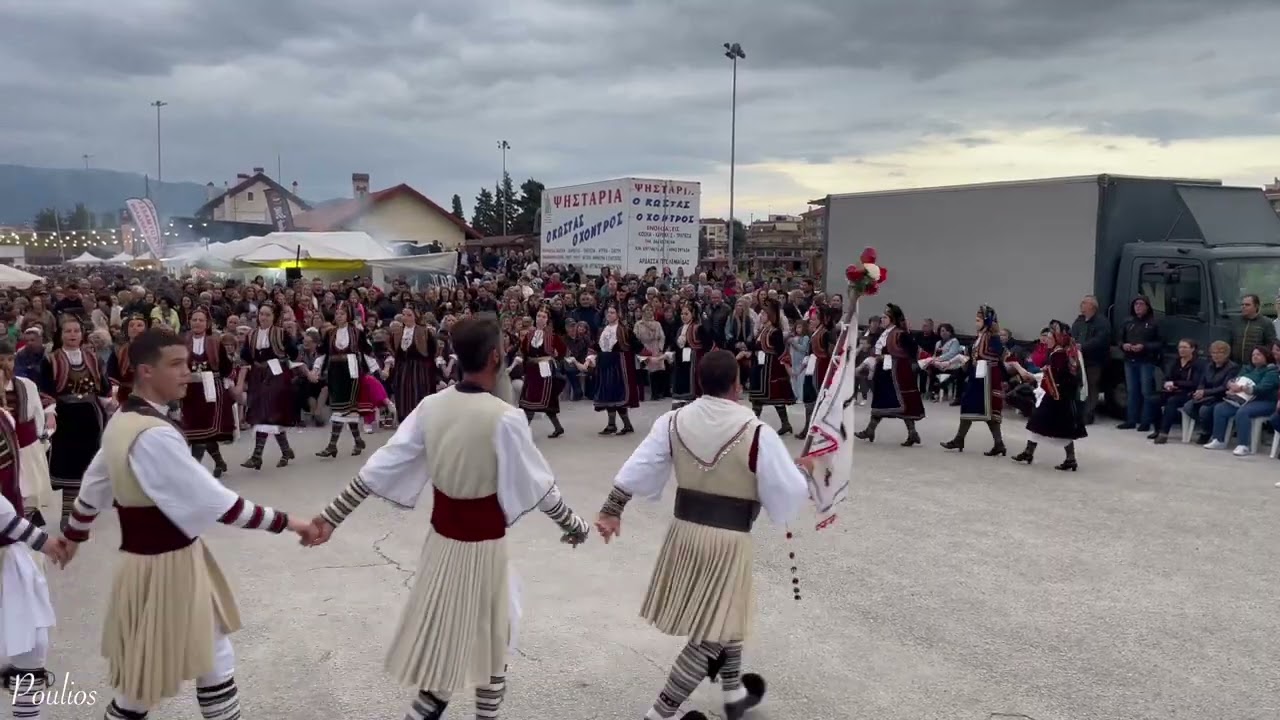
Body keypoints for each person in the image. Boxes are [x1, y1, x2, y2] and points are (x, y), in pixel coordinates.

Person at [304, 317, 591, 720]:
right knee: (493, 646)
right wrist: (573, 525)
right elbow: (539, 485)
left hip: (440, 548)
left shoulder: (431, 406)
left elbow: (381, 466)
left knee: (448, 646)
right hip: (485, 550)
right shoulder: (504, 417)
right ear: (495, 357)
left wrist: (331, 517)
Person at [59, 328, 316, 719]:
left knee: (206, 655)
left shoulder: (123, 420)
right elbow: (220, 504)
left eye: (188, 363)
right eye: (176, 364)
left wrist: (74, 535)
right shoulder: (154, 435)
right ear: (146, 371)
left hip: (155, 563)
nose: (187, 373)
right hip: (166, 566)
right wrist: (291, 523)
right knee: (143, 679)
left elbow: (93, 485)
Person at [594, 349, 811, 720]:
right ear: (737, 385)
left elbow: (640, 464)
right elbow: (788, 489)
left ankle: (734, 696)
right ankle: (659, 714)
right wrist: (805, 471)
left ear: (699, 382)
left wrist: (612, 509)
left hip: (685, 535)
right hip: (728, 540)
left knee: (727, 615)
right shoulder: (757, 430)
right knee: (713, 634)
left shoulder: (673, 420)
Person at [0, 402, 71, 720]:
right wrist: (41, 541)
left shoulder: (3, 415)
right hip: (6, 547)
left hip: (8, 549)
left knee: (29, 647)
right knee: (27, 646)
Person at [41, 315, 110, 516]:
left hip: (90, 416)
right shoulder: (51, 359)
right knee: (68, 464)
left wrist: (110, 404)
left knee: (89, 463)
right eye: (68, 331)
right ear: (61, 335)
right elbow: (46, 389)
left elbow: (103, 387)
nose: (72, 334)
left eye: (76, 331)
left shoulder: (93, 358)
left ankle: (82, 511)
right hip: (65, 416)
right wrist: (50, 414)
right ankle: (67, 511)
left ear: (82, 334)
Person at [0, 338, 58, 536]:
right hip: (3, 454)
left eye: (9, 359)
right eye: (0, 360)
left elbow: (38, 412)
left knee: (29, 492)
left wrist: (43, 435)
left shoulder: (26, 385)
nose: (5, 365)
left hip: (26, 449)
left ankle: (27, 528)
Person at [1013, 320, 1088, 471]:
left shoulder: (1059, 354)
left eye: (1049, 337)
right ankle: (1031, 453)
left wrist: (1038, 376)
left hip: (1057, 397)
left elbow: (1057, 376)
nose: (1046, 339)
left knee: (1054, 426)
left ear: (1057, 338)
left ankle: (1068, 458)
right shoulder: (1059, 352)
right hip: (1057, 395)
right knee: (1038, 423)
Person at [312, 302, 379, 458]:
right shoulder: (330, 333)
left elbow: (367, 351)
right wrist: (316, 370)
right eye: (337, 313)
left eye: (342, 313)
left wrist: (376, 370)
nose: (339, 316)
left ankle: (332, 445)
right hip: (335, 372)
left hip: (351, 371)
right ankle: (358, 441)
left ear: (348, 315)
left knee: (344, 408)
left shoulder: (357, 332)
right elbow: (322, 353)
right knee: (344, 408)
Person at [237, 305, 299, 469]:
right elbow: (246, 357)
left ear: (274, 317)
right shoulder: (252, 335)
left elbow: (293, 353)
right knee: (266, 414)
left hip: (276, 375)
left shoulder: (281, 333)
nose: (263, 317)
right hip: (258, 375)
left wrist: (289, 344)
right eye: (261, 314)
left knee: (267, 413)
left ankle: (256, 456)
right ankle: (286, 450)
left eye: (267, 315)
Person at [941, 305, 1007, 456]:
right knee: (970, 406)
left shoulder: (992, 337)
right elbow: (973, 357)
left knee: (986, 411)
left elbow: (1003, 355)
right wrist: (952, 363)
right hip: (977, 377)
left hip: (988, 378)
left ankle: (996, 443)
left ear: (987, 322)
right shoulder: (980, 337)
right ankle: (963, 439)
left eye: (978, 320)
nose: (975, 323)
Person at [856, 303, 924, 446]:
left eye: (885, 317)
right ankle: (870, 430)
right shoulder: (884, 333)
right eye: (882, 317)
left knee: (903, 403)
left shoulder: (900, 334)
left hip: (897, 374)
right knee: (881, 401)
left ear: (892, 319)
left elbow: (913, 351)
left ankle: (912, 432)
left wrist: (891, 358)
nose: (882, 319)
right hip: (884, 372)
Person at [181, 308, 235, 477]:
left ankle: (193, 470)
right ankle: (219, 462)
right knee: (196, 430)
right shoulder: (182, 342)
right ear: (189, 322)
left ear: (207, 323)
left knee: (206, 429)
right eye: (194, 319)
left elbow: (226, 367)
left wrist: (226, 383)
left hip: (211, 389)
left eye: (201, 320)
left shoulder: (215, 342)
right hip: (190, 391)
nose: (197, 323)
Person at [1204, 345, 1278, 456]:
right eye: (1253, 355)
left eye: (1258, 354)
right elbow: (1236, 380)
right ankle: (1218, 440)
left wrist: (1243, 388)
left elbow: (1263, 388)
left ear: (1266, 356)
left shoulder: (1271, 371)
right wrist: (1231, 386)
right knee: (1220, 408)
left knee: (1243, 412)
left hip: (1265, 402)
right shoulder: (1248, 368)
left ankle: (1243, 445)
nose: (1255, 357)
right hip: (1244, 399)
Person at [747, 298, 795, 435]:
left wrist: (787, 366)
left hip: (771, 368)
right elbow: (755, 346)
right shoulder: (762, 330)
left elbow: (780, 350)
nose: (761, 315)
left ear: (771, 315)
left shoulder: (775, 331)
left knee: (774, 396)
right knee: (756, 397)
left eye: (764, 313)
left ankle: (785, 423)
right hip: (759, 366)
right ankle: (754, 424)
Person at [517, 308, 567, 438]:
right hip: (532, 369)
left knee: (544, 398)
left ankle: (524, 431)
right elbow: (524, 352)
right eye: (539, 316)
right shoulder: (529, 335)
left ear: (547, 320)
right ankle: (557, 427)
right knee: (530, 398)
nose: (540, 318)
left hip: (545, 370)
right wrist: (524, 369)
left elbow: (563, 350)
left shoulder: (552, 336)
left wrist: (555, 357)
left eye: (544, 317)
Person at [592, 306, 640, 435]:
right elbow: (596, 347)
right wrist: (590, 358)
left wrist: (648, 357)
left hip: (619, 367)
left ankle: (625, 425)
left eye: (612, 312)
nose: (609, 314)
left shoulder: (625, 330)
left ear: (618, 315)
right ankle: (613, 425)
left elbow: (637, 346)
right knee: (608, 396)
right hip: (605, 365)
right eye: (608, 312)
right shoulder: (602, 330)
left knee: (618, 396)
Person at [388, 307, 440, 424]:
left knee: (418, 393)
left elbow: (432, 351)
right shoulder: (397, 333)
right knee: (403, 396)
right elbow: (393, 351)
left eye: (409, 315)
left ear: (416, 317)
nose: (405, 317)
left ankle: (420, 422)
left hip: (419, 369)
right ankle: (404, 421)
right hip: (402, 369)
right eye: (403, 314)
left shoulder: (425, 332)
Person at [1147, 339, 1204, 444]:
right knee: (1153, 400)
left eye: (1185, 347)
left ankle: (1164, 433)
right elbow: (1168, 377)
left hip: (1188, 393)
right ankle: (1157, 429)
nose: (1182, 350)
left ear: (1192, 349)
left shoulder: (1198, 364)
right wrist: (1167, 384)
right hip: (1173, 390)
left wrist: (1176, 383)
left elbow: (1194, 383)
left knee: (1172, 401)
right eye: (1180, 347)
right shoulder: (1175, 362)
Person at [1118, 295, 1161, 431]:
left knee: (1146, 392)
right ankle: (1131, 420)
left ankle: (1145, 422)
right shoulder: (1128, 322)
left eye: (1141, 304)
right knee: (1132, 391)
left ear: (1147, 307)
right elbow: (1119, 339)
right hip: (1129, 360)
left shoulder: (1154, 323)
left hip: (1146, 361)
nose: (1138, 307)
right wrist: (1123, 345)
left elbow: (1160, 343)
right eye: (1136, 304)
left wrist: (1145, 346)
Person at [1183, 341, 1238, 445]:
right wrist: (1199, 391)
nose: (1216, 355)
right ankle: (1208, 427)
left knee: (1204, 410)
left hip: (1221, 397)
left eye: (1220, 353)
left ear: (1226, 354)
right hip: (1206, 395)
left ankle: (1206, 432)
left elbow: (1224, 387)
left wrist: (1205, 392)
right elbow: (1202, 381)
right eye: (1214, 353)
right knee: (1188, 407)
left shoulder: (1232, 367)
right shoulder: (1208, 366)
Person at [798, 306, 840, 438]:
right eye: (811, 319)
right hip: (812, 367)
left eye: (814, 319)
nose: (811, 321)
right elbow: (811, 350)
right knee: (809, 396)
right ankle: (808, 426)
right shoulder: (815, 333)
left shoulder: (826, 333)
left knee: (821, 396)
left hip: (821, 367)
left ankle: (823, 428)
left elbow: (832, 352)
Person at [1070, 295, 1111, 424]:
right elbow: (1073, 335)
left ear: (1092, 306)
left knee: (1091, 386)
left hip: (1094, 360)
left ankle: (1088, 414)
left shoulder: (1102, 322)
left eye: (1084, 303)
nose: (1081, 305)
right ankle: (1077, 412)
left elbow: (1101, 340)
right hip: (1079, 360)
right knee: (1079, 386)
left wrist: (1083, 346)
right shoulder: (1079, 320)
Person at [670, 302, 713, 411]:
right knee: (680, 387)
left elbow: (708, 344)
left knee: (693, 387)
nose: (683, 316)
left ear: (692, 314)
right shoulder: (680, 329)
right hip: (681, 363)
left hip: (694, 362)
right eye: (682, 314)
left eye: (686, 314)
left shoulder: (698, 328)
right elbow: (676, 346)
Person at [106, 314, 148, 404]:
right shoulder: (119, 351)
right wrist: (114, 396)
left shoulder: (154, 351)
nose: (135, 328)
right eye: (131, 325)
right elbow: (113, 376)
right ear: (127, 330)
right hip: (125, 395)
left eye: (139, 325)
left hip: (148, 393)